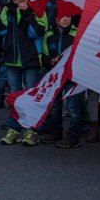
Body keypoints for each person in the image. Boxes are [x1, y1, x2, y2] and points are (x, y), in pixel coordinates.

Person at [0, 0, 46, 146]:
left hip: (31, 59)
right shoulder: (8, 9)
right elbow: (0, 30)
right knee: (14, 95)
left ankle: (31, 130)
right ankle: (15, 128)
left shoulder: (37, 8)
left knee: (30, 94)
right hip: (11, 59)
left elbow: (37, 32)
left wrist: (27, 13)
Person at [39, 12, 83, 148]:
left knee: (73, 107)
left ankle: (73, 136)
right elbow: (44, 54)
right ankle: (56, 132)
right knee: (55, 105)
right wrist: (51, 61)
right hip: (55, 76)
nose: (65, 19)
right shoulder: (48, 35)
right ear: (55, 18)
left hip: (72, 75)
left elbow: (81, 53)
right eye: (62, 16)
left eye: (68, 16)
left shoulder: (77, 34)